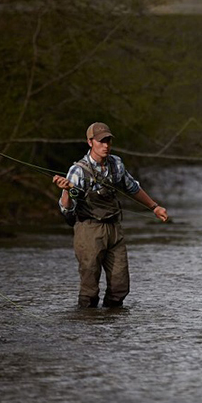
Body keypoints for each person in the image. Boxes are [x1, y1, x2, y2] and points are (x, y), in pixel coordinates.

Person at [52, 122, 168, 308]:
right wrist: (65, 191)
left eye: (108, 141)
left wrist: (154, 207)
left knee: (119, 287)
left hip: (114, 228)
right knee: (90, 290)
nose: (106, 145)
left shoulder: (116, 164)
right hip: (89, 229)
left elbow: (132, 188)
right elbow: (67, 209)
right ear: (90, 142)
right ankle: (87, 322)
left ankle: (111, 323)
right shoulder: (78, 170)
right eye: (101, 141)